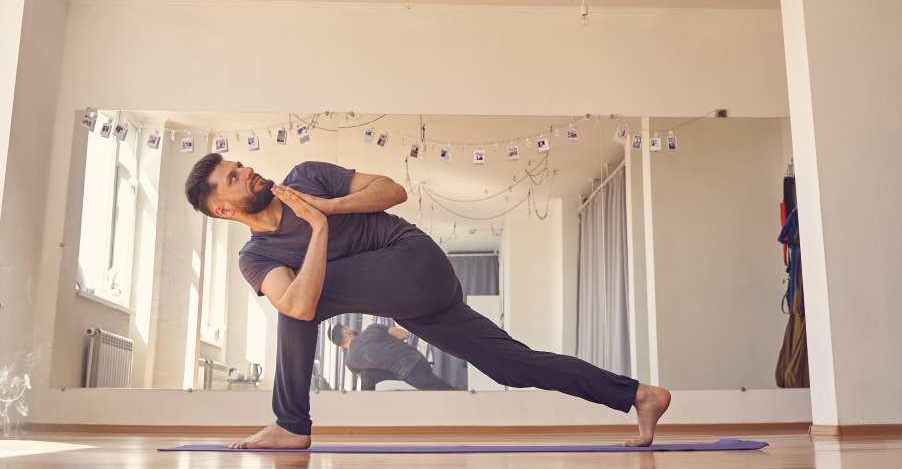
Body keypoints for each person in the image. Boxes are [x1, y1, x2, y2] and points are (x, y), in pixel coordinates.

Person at [184, 156, 672, 449]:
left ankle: (291, 424)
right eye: (232, 178)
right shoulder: (257, 256)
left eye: (238, 165)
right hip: (415, 307)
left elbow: (391, 190)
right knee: (509, 365)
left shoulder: (308, 176)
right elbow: (295, 304)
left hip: (412, 260)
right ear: (224, 210)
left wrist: (328, 208)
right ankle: (637, 395)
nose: (246, 171)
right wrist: (317, 229)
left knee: (296, 303)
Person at [329, 322, 456, 391]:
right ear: (347, 331)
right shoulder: (372, 328)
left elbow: (365, 380)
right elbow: (404, 334)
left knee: (441, 391)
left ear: (340, 346)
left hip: (408, 370)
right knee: (439, 389)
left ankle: (368, 410)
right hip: (415, 361)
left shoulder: (351, 362)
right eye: (347, 327)